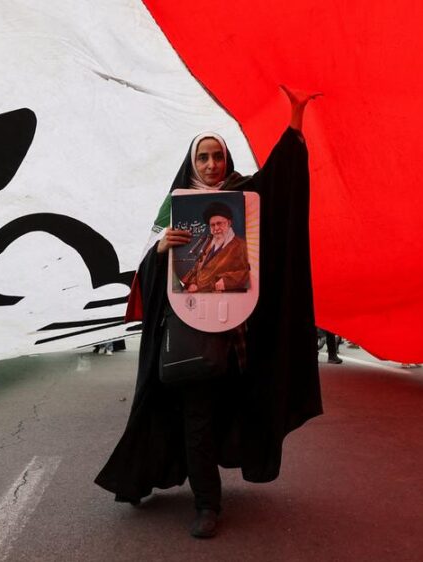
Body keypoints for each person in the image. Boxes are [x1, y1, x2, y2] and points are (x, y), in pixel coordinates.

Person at [95, 86, 323, 539]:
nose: (211, 164)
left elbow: (279, 182)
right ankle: (207, 504)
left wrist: (295, 123)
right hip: (189, 335)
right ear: (192, 162)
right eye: (203, 157)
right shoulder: (174, 205)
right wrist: (162, 250)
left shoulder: (244, 195)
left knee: (226, 411)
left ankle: (192, 482)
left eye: (217, 156)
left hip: (238, 337)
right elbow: (147, 272)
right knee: (193, 415)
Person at [179, 202, 250, 293]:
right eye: (212, 225)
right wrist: (193, 283)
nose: (216, 228)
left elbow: (249, 273)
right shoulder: (208, 244)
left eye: (219, 223)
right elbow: (197, 268)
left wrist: (226, 281)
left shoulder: (241, 245)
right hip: (200, 294)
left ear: (229, 223)